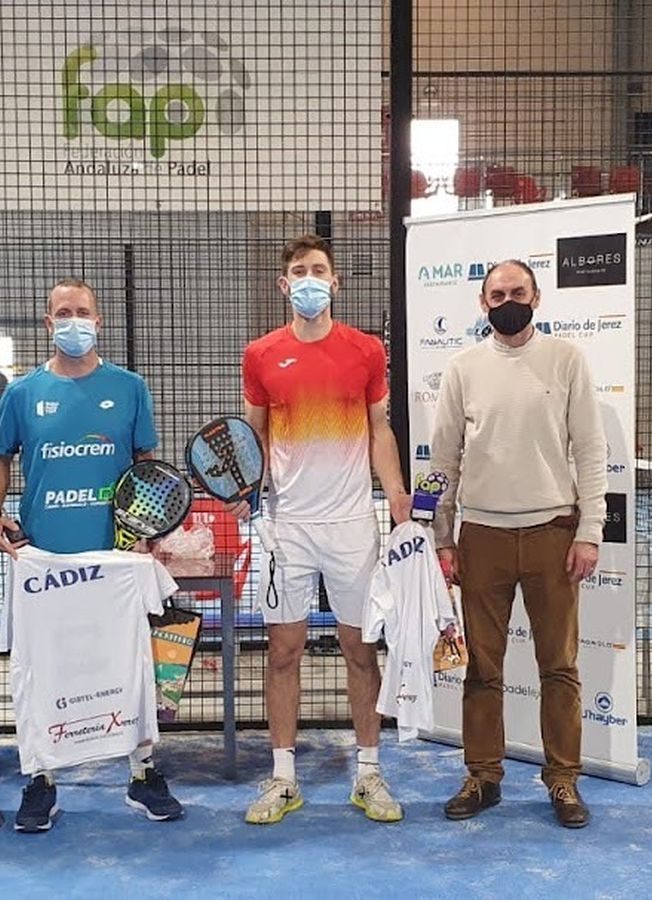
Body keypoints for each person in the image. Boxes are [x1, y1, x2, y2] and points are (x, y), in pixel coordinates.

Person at [0, 277, 183, 832]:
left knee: (132, 668)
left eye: (83, 311)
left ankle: (142, 774)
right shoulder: (22, 394)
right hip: (46, 560)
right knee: (41, 673)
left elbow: (146, 465)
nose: (74, 321)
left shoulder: (130, 387)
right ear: (48, 325)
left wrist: (147, 532)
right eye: (63, 313)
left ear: (99, 321)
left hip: (115, 560)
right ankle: (41, 780)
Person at [237, 234, 412, 825]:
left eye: (319, 270)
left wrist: (394, 491)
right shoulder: (260, 353)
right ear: (284, 285)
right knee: (282, 652)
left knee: (360, 649)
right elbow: (253, 436)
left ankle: (368, 772)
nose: (309, 279)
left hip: (351, 525)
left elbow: (380, 428)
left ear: (335, 283)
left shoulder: (365, 350)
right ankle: (283, 777)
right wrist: (247, 492)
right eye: (298, 271)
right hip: (286, 525)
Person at [428, 259, 607, 829]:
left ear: (538, 297)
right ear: (483, 304)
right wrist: (441, 537)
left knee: (560, 666)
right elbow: (443, 461)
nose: (509, 300)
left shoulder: (567, 360)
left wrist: (590, 530)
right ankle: (482, 775)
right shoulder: (462, 369)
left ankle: (563, 780)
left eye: (518, 291)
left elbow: (591, 451)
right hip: (480, 536)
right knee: (482, 667)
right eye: (498, 293)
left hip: (555, 532)